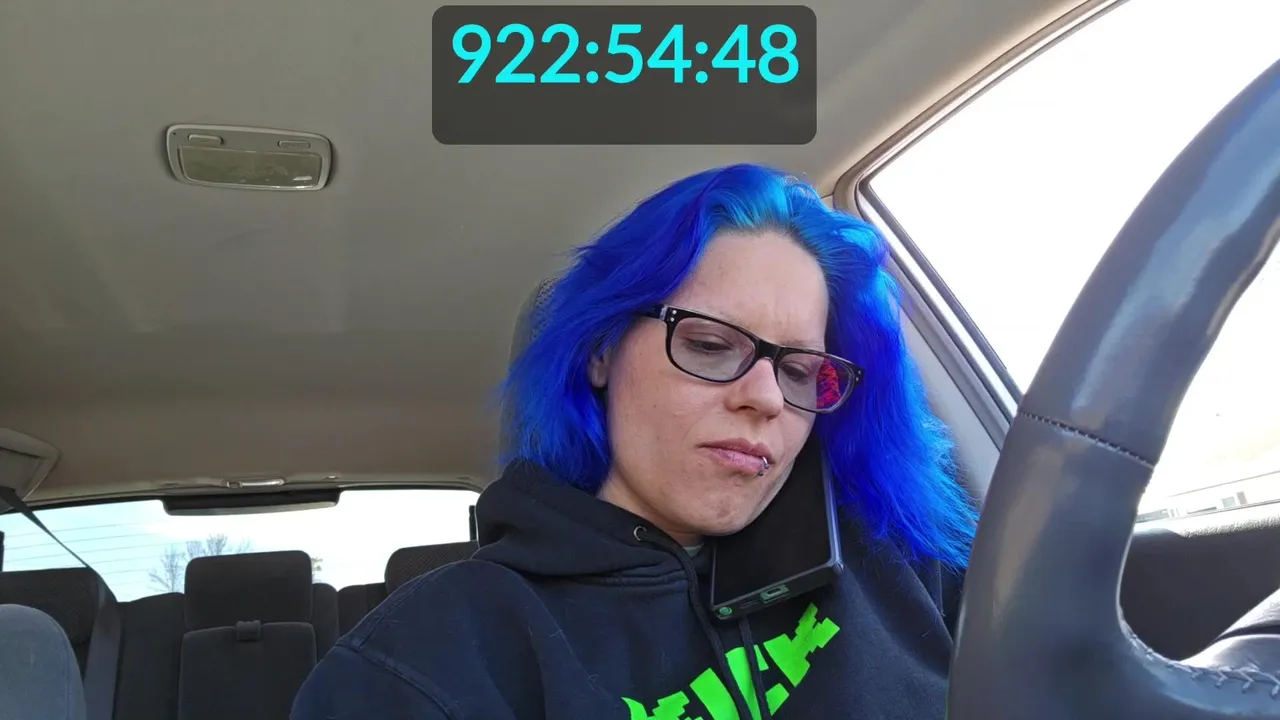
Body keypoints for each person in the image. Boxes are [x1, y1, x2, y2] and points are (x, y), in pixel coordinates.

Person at [291, 163, 976, 719]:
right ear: (601, 351)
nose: (768, 398)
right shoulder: (427, 663)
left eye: (799, 371)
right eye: (709, 344)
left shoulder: (898, 560)